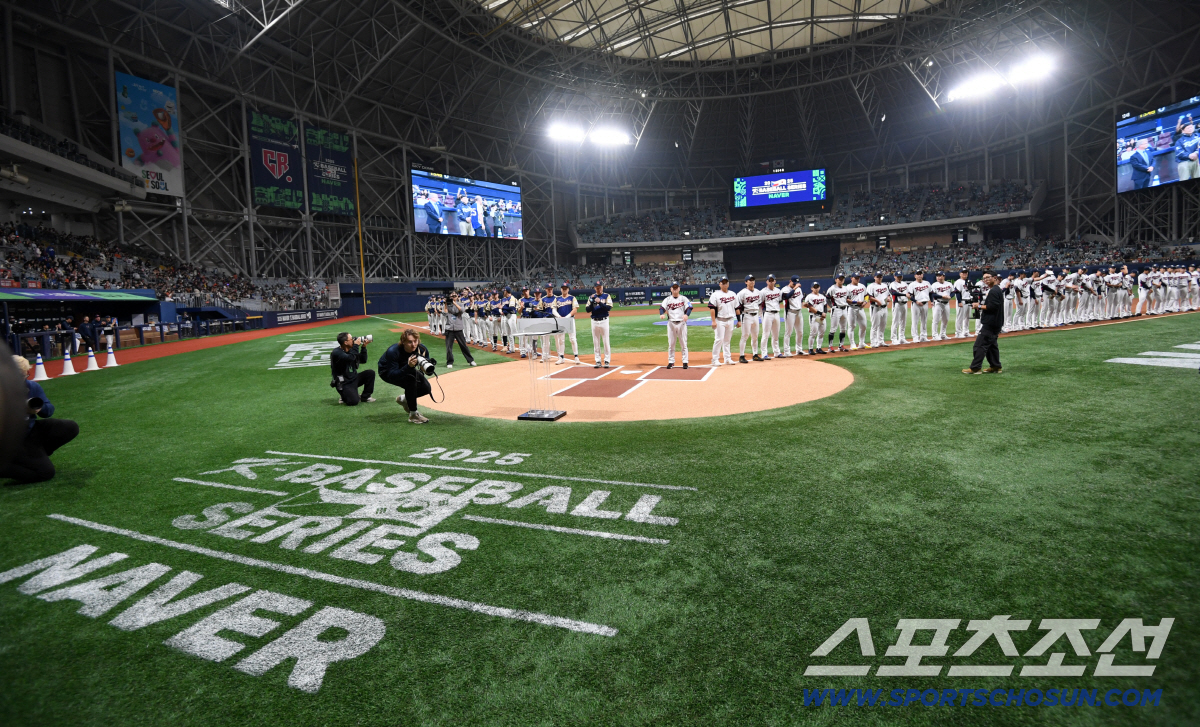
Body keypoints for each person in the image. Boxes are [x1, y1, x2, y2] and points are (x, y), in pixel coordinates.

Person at [0, 356, 79, 483]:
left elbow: (49, 410)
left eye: (24, 375)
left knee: (70, 427)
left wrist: (39, 408)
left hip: (29, 431)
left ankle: (34, 456)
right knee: (46, 473)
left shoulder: (32, 386)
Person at [378, 329, 434, 424]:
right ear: (403, 342)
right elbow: (392, 375)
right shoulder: (393, 351)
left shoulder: (422, 349)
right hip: (386, 372)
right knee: (410, 381)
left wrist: (426, 370)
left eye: (415, 341)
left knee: (426, 388)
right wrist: (408, 366)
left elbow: (429, 371)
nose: (413, 345)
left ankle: (404, 399)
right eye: (410, 342)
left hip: (407, 368)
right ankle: (413, 415)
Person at [964, 272, 1004, 374]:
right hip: (996, 322)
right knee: (991, 346)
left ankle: (975, 368)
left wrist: (978, 306)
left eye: (988, 277)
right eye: (984, 278)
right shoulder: (996, 289)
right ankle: (996, 366)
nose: (986, 279)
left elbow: (992, 307)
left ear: (995, 278)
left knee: (979, 345)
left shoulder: (994, 291)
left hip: (991, 323)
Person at [330, 332, 375, 405]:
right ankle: (344, 395)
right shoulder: (337, 352)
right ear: (345, 342)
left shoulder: (351, 350)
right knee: (353, 401)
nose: (354, 340)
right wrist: (356, 346)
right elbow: (350, 358)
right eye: (351, 339)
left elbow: (363, 360)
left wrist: (364, 347)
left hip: (353, 378)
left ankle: (365, 396)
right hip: (344, 382)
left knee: (370, 373)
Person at [659, 281, 692, 369]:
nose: (675, 289)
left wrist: (687, 315)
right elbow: (662, 308)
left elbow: (689, 307)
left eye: (676, 288)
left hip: (681, 323)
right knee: (671, 344)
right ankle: (671, 361)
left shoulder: (683, 298)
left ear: (679, 289)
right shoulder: (667, 299)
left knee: (683, 344)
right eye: (673, 288)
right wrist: (662, 314)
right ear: (671, 289)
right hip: (671, 323)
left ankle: (685, 362)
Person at [707, 276, 738, 366]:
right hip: (720, 320)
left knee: (727, 340)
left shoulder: (733, 294)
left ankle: (727, 358)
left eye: (726, 283)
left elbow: (737, 307)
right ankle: (715, 359)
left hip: (730, 319)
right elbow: (712, 308)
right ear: (720, 284)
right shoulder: (715, 295)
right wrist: (713, 321)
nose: (724, 284)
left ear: (728, 284)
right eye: (723, 283)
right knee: (719, 340)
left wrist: (739, 319)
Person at [735, 274, 763, 363]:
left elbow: (759, 304)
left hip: (755, 316)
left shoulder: (758, 292)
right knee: (745, 336)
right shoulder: (742, 293)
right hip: (746, 315)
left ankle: (755, 355)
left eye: (753, 280)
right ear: (746, 282)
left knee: (755, 336)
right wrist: (739, 319)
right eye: (750, 280)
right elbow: (737, 306)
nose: (752, 282)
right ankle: (741, 356)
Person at [443, 293, 476, 368]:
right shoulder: (447, 305)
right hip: (449, 328)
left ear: (457, 297)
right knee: (449, 347)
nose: (453, 297)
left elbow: (462, 311)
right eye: (452, 296)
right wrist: (445, 304)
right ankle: (449, 362)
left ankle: (470, 360)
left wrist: (454, 303)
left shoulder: (460, 304)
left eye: (455, 296)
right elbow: (444, 313)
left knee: (463, 345)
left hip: (458, 328)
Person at [586, 280, 613, 368]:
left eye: (600, 287)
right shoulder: (591, 297)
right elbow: (587, 310)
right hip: (594, 321)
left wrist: (599, 302)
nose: (599, 289)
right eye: (597, 288)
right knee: (596, 342)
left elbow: (608, 308)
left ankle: (607, 360)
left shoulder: (606, 296)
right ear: (595, 288)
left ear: (602, 287)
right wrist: (592, 303)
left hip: (604, 320)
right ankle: (598, 361)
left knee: (606, 341)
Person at [552, 283, 581, 364]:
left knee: (573, 339)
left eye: (566, 288)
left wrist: (567, 317)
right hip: (560, 321)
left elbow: (575, 309)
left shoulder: (572, 298)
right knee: (561, 340)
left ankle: (576, 357)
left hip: (570, 320)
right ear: (561, 289)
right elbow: (553, 309)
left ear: (568, 289)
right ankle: (561, 357)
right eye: (563, 288)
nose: (564, 289)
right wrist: (559, 316)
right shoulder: (557, 299)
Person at [758, 274, 783, 359]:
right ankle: (764, 353)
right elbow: (760, 303)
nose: (771, 282)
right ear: (767, 281)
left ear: (775, 281)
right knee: (765, 334)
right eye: (770, 280)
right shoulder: (763, 292)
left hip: (776, 313)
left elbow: (779, 301)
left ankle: (777, 352)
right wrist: (761, 314)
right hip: (767, 313)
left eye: (773, 280)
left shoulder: (778, 291)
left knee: (776, 335)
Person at [780, 275, 806, 356]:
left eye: (796, 283)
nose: (795, 285)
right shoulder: (785, 289)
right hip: (790, 312)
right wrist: (795, 288)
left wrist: (802, 303)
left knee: (800, 332)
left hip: (798, 312)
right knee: (788, 332)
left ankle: (799, 349)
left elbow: (800, 298)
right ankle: (787, 351)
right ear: (790, 281)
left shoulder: (799, 289)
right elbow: (786, 297)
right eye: (793, 283)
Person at [802, 282, 828, 355]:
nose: (816, 288)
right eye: (814, 287)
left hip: (822, 317)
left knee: (821, 333)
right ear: (811, 288)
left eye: (817, 287)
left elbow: (825, 306)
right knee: (813, 333)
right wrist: (821, 313)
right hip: (814, 317)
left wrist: (824, 314)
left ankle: (818, 348)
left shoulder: (822, 296)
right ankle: (810, 349)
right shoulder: (809, 297)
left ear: (819, 287)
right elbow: (811, 308)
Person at [866, 272, 890, 348]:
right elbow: (869, 297)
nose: (879, 278)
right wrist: (877, 301)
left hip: (884, 307)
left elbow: (888, 294)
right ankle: (873, 342)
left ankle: (881, 341)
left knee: (883, 325)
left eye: (880, 276)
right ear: (874, 277)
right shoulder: (871, 286)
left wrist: (888, 298)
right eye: (878, 276)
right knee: (875, 326)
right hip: (875, 307)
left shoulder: (884, 285)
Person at [907, 270, 931, 343]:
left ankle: (923, 336)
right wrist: (916, 301)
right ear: (915, 276)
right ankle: (915, 337)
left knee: (924, 321)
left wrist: (932, 301)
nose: (919, 275)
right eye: (917, 274)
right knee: (915, 321)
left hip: (925, 303)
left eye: (920, 274)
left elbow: (931, 293)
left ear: (922, 275)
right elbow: (909, 295)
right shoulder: (912, 285)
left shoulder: (927, 283)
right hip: (916, 304)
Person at [929, 271, 954, 340]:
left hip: (946, 303)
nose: (938, 277)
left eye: (940, 276)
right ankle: (935, 335)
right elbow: (933, 294)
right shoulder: (934, 285)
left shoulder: (949, 284)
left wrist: (950, 296)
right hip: (938, 303)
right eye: (937, 276)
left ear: (944, 276)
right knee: (936, 320)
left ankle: (943, 334)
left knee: (945, 320)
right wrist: (942, 296)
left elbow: (953, 292)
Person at [953, 270, 975, 339]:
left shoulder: (969, 282)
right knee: (960, 317)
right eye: (963, 273)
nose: (965, 274)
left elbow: (971, 292)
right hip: (962, 301)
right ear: (960, 274)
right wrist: (959, 302)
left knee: (967, 317)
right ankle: (958, 333)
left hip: (969, 301)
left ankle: (966, 332)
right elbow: (957, 292)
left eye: (966, 273)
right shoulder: (958, 282)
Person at [889, 273, 910, 344]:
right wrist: (905, 294)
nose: (899, 278)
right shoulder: (893, 284)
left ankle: (902, 338)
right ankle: (894, 339)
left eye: (900, 276)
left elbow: (909, 293)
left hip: (904, 304)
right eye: (898, 276)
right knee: (895, 322)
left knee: (903, 322)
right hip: (897, 304)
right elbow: (894, 293)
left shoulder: (905, 284)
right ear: (894, 276)